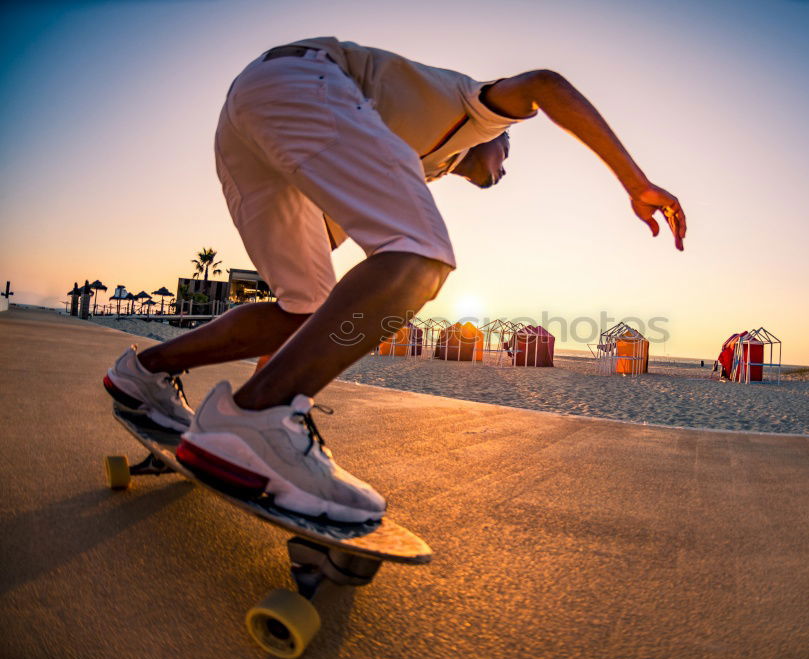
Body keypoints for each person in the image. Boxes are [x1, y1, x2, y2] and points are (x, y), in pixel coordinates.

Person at [103, 36, 687, 524]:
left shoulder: (391, 156)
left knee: (303, 307)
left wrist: (279, 389)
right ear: (495, 136)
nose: (506, 170)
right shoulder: (470, 108)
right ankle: (254, 421)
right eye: (508, 155)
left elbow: (323, 317)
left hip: (250, 112)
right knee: (422, 257)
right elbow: (545, 83)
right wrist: (636, 183)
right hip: (306, 83)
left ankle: (146, 374)